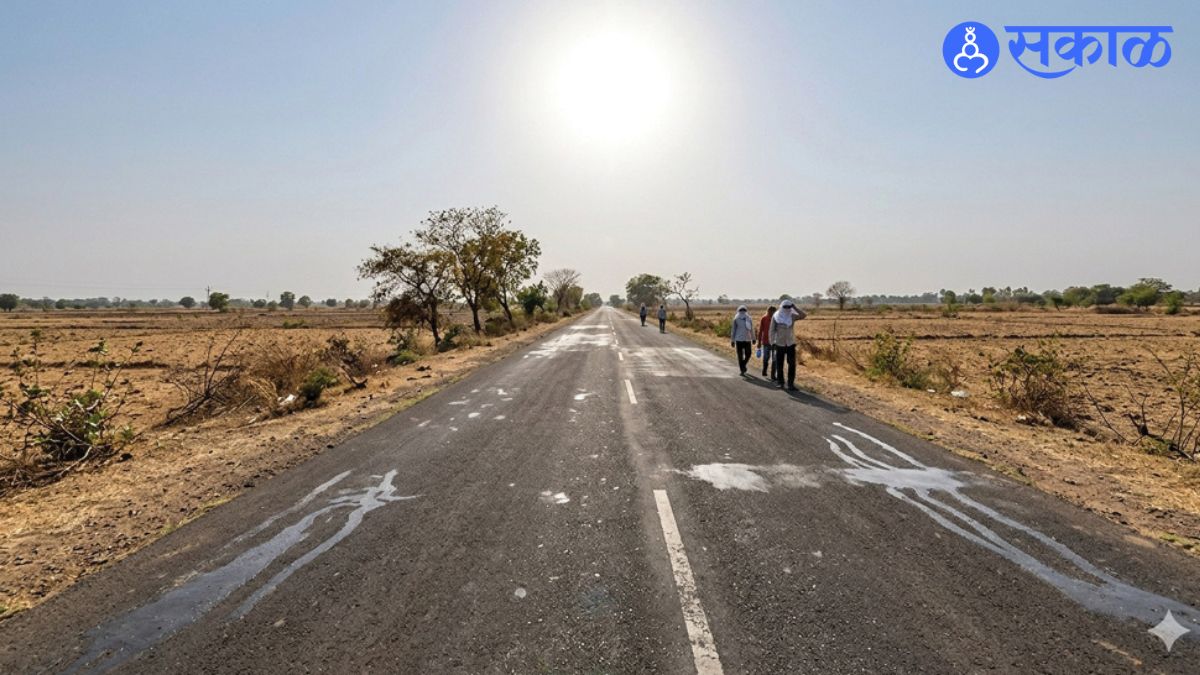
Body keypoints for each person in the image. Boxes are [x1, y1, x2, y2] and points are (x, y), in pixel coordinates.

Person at [768, 299, 807, 391]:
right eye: (785, 307)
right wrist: (772, 342)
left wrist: (794, 307)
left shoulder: (792, 315)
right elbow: (772, 330)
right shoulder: (776, 316)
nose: (787, 308)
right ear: (781, 307)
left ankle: (790, 384)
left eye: (788, 307)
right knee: (779, 364)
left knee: (792, 365)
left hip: (790, 343)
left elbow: (803, 315)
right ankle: (780, 382)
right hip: (779, 343)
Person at [730, 305, 756, 375]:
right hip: (742, 339)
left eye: (743, 310)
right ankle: (742, 369)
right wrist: (732, 340)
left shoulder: (748, 318)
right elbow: (733, 330)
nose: (742, 312)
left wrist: (753, 338)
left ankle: (743, 366)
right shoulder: (737, 318)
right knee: (744, 355)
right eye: (742, 310)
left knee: (745, 355)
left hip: (745, 339)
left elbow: (751, 329)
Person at [758, 305, 776, 378]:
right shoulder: (764, 318)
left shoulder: (777, 319)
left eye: (773, 311)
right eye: (770, 311)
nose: (771, 313)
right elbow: (760, 331)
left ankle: (773, 375)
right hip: (766, 342)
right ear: (768, 311)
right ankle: (764, 370)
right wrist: (759, 342)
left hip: (775, 342)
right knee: (766, 357)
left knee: (774, 359)